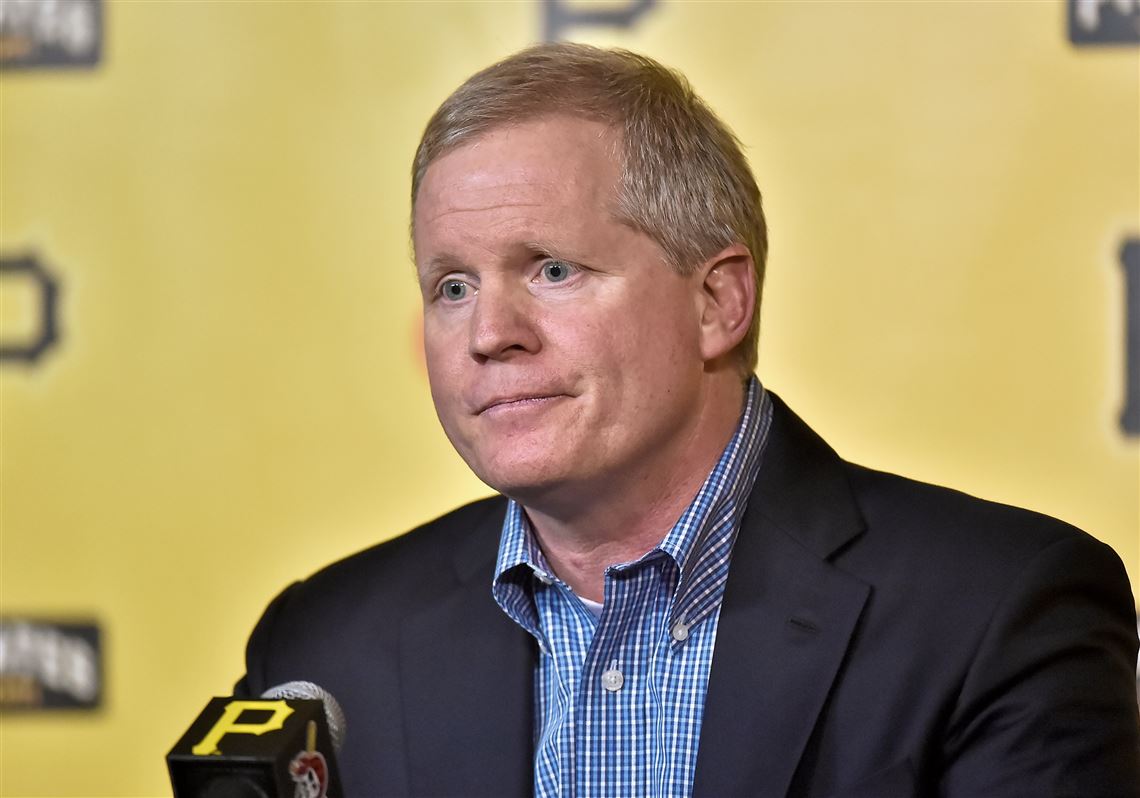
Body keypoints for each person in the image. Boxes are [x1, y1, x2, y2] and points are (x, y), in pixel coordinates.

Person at [237, 43, 1140, 797]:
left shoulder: (997, 613)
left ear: (717, 301)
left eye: (551, 270)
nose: (490, 335)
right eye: (453, 286)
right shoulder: (324, 647)